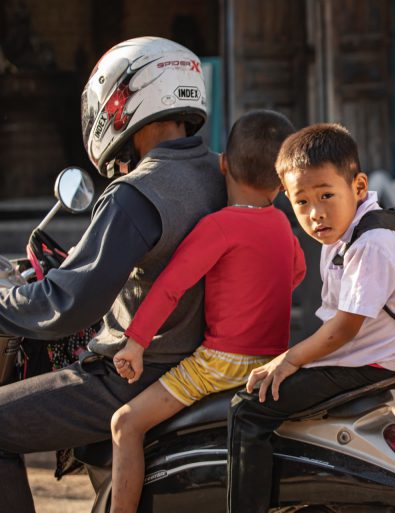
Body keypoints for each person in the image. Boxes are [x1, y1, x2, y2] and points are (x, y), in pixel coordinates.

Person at [0, 37, 226, 512]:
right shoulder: (221, 172)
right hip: (196, 366)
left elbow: (65, 305)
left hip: (131, 375)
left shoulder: (137, 192)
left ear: (119, 99)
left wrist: (5, 298)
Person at [108, 110, 305, 513]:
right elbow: (296, 273)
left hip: (220, 365)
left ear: (223, 165)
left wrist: (135, 344)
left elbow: (169, 288)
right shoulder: (284, 227)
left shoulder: (219, 226)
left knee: (125, 424)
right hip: (270, 363)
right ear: (283, 182)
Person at [227, 123, 395, 513]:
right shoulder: (344, 233)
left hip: (366, 363)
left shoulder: (372, 243)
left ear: (359, 187)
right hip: (360, 355)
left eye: (326, 195)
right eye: (301, 202)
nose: (315, 213)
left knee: (247, 409)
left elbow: (345, 328)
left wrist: (292, 358)